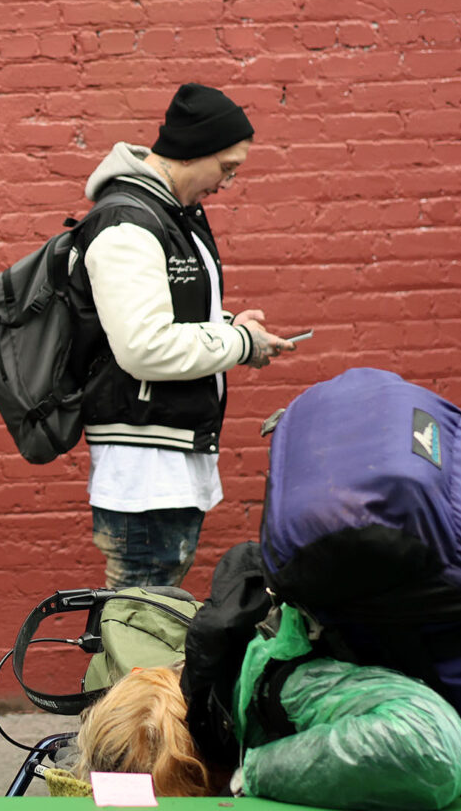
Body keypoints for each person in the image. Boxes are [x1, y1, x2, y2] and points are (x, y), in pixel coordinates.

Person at [71, 83, 293, 589]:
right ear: (195, 152)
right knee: (140, 633)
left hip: (166, 461)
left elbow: (168, 320)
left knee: (143, 630)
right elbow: (144, 347)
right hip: (146, 470)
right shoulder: (129, 223)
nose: (227, 184)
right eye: (228, 168)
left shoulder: (170, 216)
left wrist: (234, 330)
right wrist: (240, 345)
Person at [61, 607, 461, 811]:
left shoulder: (275, 692)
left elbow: (434, 750)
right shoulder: (229, 691)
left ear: (195, 770)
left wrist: (252, 778)